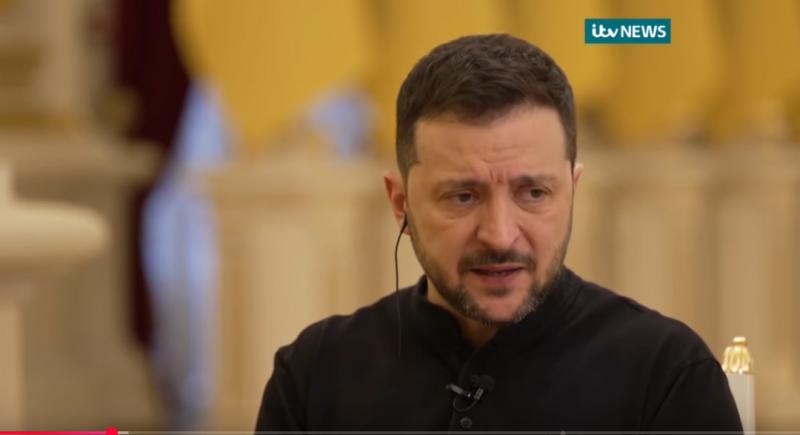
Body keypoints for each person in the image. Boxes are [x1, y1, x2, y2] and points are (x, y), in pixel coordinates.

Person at [255, 33, 743, 432]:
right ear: (400, 202)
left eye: (533, 193)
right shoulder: (315, 375)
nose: (500, 235)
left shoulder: (667, 376)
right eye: (462, 196)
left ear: (572, 191)